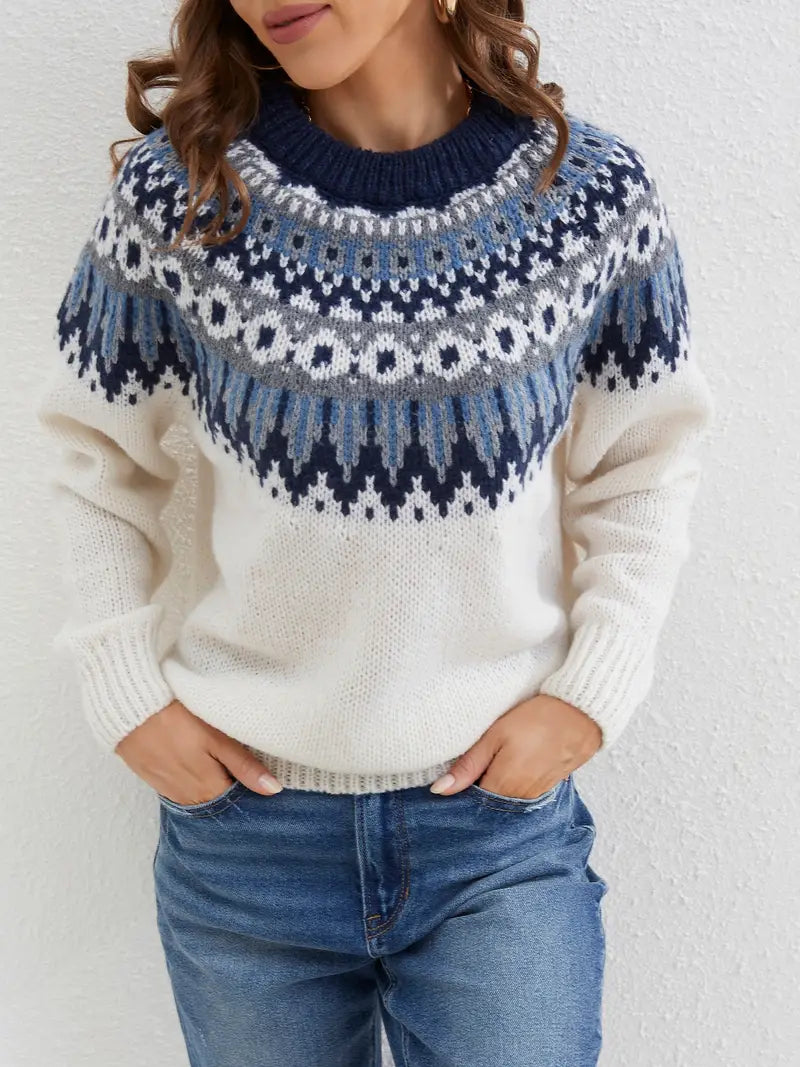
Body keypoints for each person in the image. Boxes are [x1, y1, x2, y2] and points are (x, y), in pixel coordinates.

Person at [34, 1, 714, 1064]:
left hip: (495, 841)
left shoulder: (586, 194)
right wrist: (124, 689)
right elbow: (94, 454)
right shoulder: (184, 191)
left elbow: (642, 460)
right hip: (246, 845)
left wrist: (591, 691)